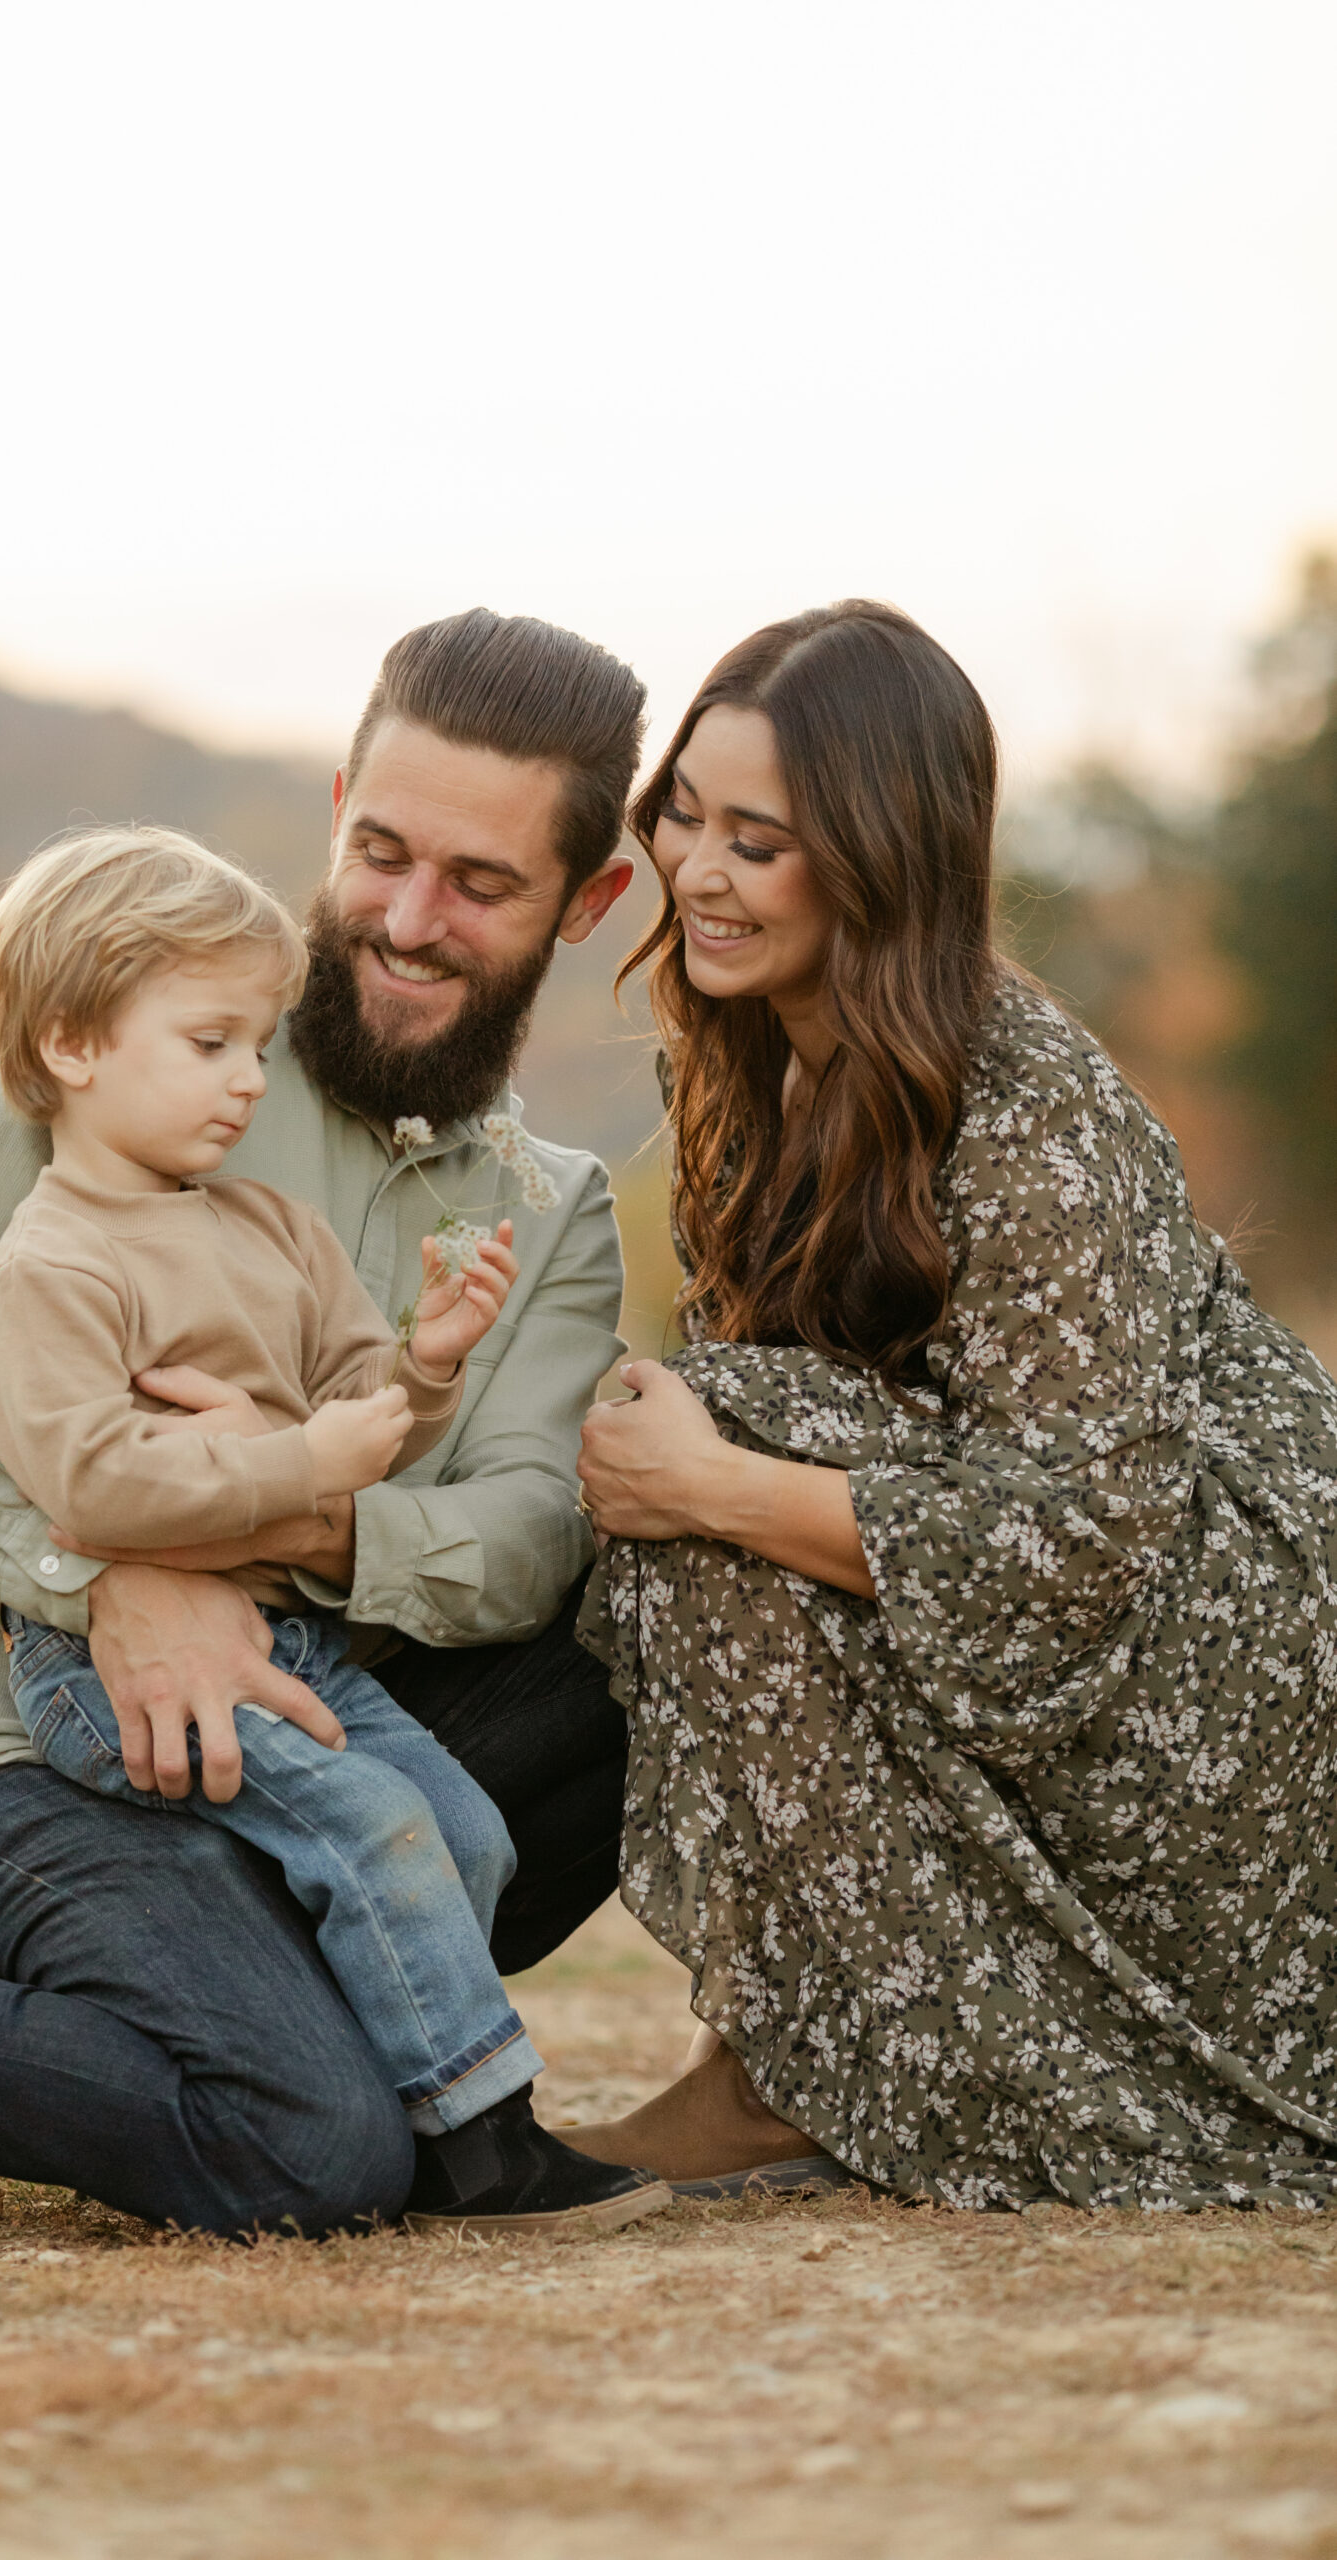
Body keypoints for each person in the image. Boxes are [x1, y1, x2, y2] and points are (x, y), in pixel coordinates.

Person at [0, 608, 648, 2242]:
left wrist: (265, 1523)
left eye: (479, 882)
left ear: (588, 903)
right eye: (378, 850)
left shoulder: (558, 1213)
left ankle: (313, 2013)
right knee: (310, 2156)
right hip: (11, 1741)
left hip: (293, 1741)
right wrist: (92, 1567)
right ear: (335, 805)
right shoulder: (144, 1042)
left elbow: (529, 1531)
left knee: (649, 1613)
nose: (403, 917)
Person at [564, 599, 1337, 2213]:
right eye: (685, 814)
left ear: (881, 859)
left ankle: (833, 2075)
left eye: (759, 841)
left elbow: (1090, 1531)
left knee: (720, 1435)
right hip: (1003, 1589)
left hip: (1227, 1646)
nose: (698, 871)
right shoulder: (745, 1066)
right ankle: (785, 2063)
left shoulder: (1027, 1102)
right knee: (703, 1426)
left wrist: (714, 1485)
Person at [0, 822, 663, 2234]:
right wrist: (294, 1463)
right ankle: (483, 2144)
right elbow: (90, 1485)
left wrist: (429, 1364)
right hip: (110, 1672)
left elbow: (360, 1412)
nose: (246, 1080)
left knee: (462, 1829)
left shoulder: (271, 1228)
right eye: (210, 1042)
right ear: (76, 1047)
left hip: (291, 1632)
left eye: (257, 1045)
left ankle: (391, 2093)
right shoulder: (55, 1262)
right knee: (380, 1828)